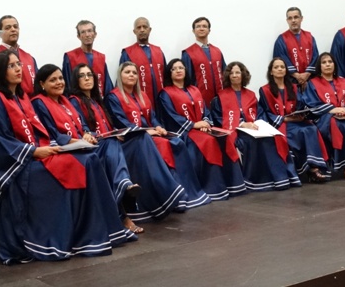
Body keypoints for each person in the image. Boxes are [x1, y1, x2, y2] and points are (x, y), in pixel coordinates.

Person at [0, 51, 135, 263]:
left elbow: (40, 132)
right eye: (12, 66)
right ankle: (75, 234)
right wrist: (34, 151)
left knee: (90, 159)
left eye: (19, 64)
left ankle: (102, 229)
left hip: (39, 153)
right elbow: (1, 140)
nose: (19, 69)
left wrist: (52, 146)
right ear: (0, 70)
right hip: (20, 165)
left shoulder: (22, 98)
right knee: (79, 164)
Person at [30, 64, 143, 234]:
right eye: (53, 80)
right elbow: (51, 133)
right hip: (64, 150)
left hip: (82, 146)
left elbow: (82, 125)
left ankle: (123, 191)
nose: (59, 82)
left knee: (112, 143)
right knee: (101, 161)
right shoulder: (39, 102)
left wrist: (87, 134)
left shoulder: (64, 101)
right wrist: (77, 140)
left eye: (60, 78)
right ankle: (122, 209)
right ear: (42, 84)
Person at [69, 63, 187, 222]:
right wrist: (106, 134)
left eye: (89, 75)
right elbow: (83, 129)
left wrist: (156, 127)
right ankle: (167, 190)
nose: (87, 78)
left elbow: (146, 118)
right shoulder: (77, 101)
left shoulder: (97, 101)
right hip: (101, 146)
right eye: (82, 76)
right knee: (144, 139)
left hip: (113, 141)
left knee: (164, 141)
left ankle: (164, 192)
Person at [106, 62, 210, 213]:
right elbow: (120, 121)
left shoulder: (142, 95)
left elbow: (152, 117)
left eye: (134, 72)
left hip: (149, 135)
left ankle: (188, 191)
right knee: (164, 145)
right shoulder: (113, 97)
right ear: (120, 75)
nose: (131, 75)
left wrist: (158, 127)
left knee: (177, 143)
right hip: (133, 139)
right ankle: (172, 194)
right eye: (127, 72)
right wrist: (145, 131)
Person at [158, 59, 246, 200]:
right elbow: (170, 116)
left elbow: (205, 110)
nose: (178, 70)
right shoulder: (165, 94)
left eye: (181, 68)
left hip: (202, 128)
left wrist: (205, 122)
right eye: (174, 69)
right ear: (169, 73)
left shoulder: (195, 89)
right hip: (185, 132)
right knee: (209, 142)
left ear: (186, 71)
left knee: (225, 137)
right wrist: (193, 125)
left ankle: (233, 185)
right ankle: (215, 189)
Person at [211, 61, 301, 191]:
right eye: (232, 73)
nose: (235, 75)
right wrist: (242, 124)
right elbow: (219, 118)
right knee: (251, 142)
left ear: (243, 75)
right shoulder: (220, 97)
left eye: (238, 72)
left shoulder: (251, 95)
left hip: (254, 129)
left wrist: (258, 124)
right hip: (235, 131)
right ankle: (255, 181)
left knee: (273, 138)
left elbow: (260, 113)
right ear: (228, 76)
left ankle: (279, 179)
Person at [258, 58, 330, 183]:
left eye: (282, 67)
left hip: (295, 121)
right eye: (276, 67)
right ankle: (309, 170)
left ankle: (314, 168)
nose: (280, 69)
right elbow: (264, 111)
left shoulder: (294, 87)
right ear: (271, 72)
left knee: (311, 128)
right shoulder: (265, 90)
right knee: (300, 133)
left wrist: (302, 113)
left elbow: (301, 105)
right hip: (280, 124)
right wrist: (284, 118)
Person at [119, 17, 167, 107]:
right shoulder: (127, 53)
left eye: (145, 27)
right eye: (139, 27)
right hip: (138, 101)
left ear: (149, 30)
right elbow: (122, 80)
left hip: (161, 100)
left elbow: (166, 76)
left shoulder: (159, 51)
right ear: (134, 31)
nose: (142, 30)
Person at [181, 16, 226, 105]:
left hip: (221, 98)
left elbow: (225, 73)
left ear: (209, 30)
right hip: (199, 99)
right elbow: (186, 79)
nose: (201, 29)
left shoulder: (217, 51)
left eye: (204, 26)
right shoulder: (188, 53)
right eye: (198, 26)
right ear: (193, 31)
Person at [63, 20, 113, 98]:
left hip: (99, 102)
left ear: (95, 34)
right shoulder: (70, 57)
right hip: (78, 102)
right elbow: (67, 86)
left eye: (89, 31)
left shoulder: (101, 58)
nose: (87, 35)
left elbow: (107, 87)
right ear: (78, 36)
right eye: (83, 32)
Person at [272, 7, 319, 88]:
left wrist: (307, 74)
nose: (293, 20)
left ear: (301, 18)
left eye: (296, 17)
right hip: (290, 83)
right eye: (290, 18)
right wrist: (297, 76)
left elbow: (316, 57)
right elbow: (280, 60)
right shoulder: (281, 40)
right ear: (287, 20)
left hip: (310, 82)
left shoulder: (310, 37)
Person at [0, 15, 38, 96]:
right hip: (8, 100)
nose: (13, 29)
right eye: (8, 28)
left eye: (15, 27)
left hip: (30, 101)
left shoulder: (29, 58)